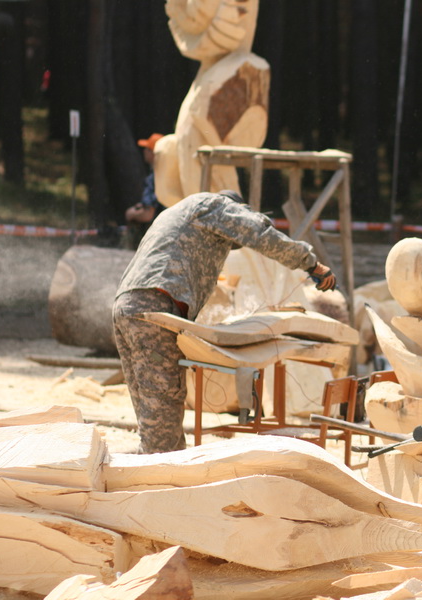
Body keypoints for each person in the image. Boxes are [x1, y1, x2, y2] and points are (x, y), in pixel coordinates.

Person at [113, 189, 337, 454]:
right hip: (154, 309)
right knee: (161, 428)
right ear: (237, 209)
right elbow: (259, 234)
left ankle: (152, 472)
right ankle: (150, 483)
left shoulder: (177, 213)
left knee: (154, 417)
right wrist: (310, 263)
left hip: (126, 307)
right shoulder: (215, 206)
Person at [124, 133, 165, 249]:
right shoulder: (169, 177)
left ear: (153, 153)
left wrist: (130, 214)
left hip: (155, 240)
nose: (144, 151)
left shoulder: (154, 179)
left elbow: (148, 214)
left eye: (147, 149)